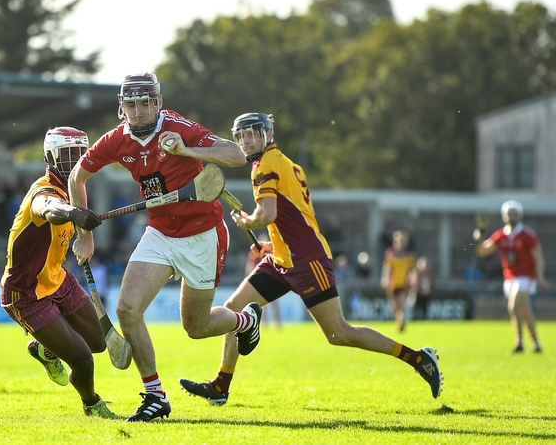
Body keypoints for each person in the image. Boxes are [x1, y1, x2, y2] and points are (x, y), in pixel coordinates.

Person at [179, 112, 443, 406]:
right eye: (241, 135)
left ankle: (419, 359)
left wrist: (247, 222)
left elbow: (267, 214)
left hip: (308, 261)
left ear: (267, 134)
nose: (245, 141)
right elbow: (294, 218)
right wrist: (271, 243)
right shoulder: (286, 163)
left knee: (339, 333)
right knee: (234, 308)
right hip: (282, 258)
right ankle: (221, 385)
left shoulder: (265, 167)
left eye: (252, 134)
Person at [67, 73, 257, 423]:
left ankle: (244, 321)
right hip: (160, 232)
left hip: (203, 234)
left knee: (196, 328)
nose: (139, 112)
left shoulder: (177, 127)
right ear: (122, 108)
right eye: (131, 105)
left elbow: (235, 155)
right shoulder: (116, 140)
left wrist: (187, 149)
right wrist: (85, 234)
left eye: (145, 103)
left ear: (157, 103)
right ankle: (155, 396)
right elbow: (77, 175)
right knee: (126, 308)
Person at [0, 126, 115, 419]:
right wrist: (75, 213)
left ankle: (45, 349)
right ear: (50, 156)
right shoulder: (45, 189)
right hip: (25, 292)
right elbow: (47, 208)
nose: (76, 160)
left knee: (99, 343)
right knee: (84, 361)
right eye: (68, 154)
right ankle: (92, 404)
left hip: (58, 279)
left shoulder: (76, 188)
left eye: (81, 153)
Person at [474, 200, 546, 353]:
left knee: (513, 306)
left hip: (526, 277)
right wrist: (480, 236)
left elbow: (538, 257)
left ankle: (519, 342)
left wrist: (540, 277)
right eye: (509, 213)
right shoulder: (501, 235)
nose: (512, 216)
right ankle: (536, 343)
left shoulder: (527, 235)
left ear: (519, 215)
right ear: (504, 216)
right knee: (525, 311)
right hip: (510, 278)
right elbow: (482, 251)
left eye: (515, 213)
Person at [381, 230, 417, 332]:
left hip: (403, 283)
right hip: (392, 284)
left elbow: (412, 269)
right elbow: (387, 268)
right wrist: (384, 279)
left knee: (401, 304)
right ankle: (399, 321)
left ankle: (402, 322)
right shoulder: (390, 254)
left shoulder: (409, 255)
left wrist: (413, 280)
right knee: (394, 307)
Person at [246, 233, 281, 330]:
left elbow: (249, 267)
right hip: (267, 278)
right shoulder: (264, 253)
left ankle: (271, 323)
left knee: (267, 304)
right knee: (271, 304)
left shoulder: (256, 253)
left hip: (265, 278)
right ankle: (273, 323)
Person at [407, 256, 434, 320]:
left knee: (424, 308)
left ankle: (424, 319)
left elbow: (431, 284)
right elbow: (410, 283)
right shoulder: (414, 273)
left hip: (425, 295)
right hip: (416, 294)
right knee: (414, 308)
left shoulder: (428, 274)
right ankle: (414, 319)